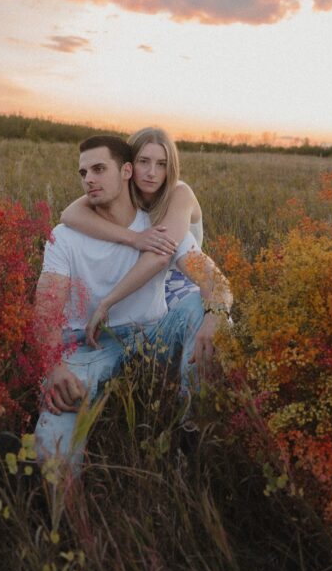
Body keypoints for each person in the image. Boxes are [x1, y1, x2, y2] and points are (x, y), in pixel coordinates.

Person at [34, 135, 232, 473]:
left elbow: (215, 282)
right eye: (83, 173)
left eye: (99, 169)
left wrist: (215, 315)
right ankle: (66, 520)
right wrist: (53, 366)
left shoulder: (161, 226)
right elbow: (46, 308)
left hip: (150, 337)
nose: (89, 180)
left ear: (126, 171)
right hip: (88, 346)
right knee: (52, 446)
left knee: (207, 311)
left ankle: (193, 428)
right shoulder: (65, 234)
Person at [60, 127, 206, 345]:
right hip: (141, 275)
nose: (151, 173)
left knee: (204, 319)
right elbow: (70, 214)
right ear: (128, 166)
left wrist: (107, 303)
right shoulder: (124, 190)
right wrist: (133, 238)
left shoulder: (179, 193)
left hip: (177, 276)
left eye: (162, 164)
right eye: (144, 161)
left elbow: (160, 256)